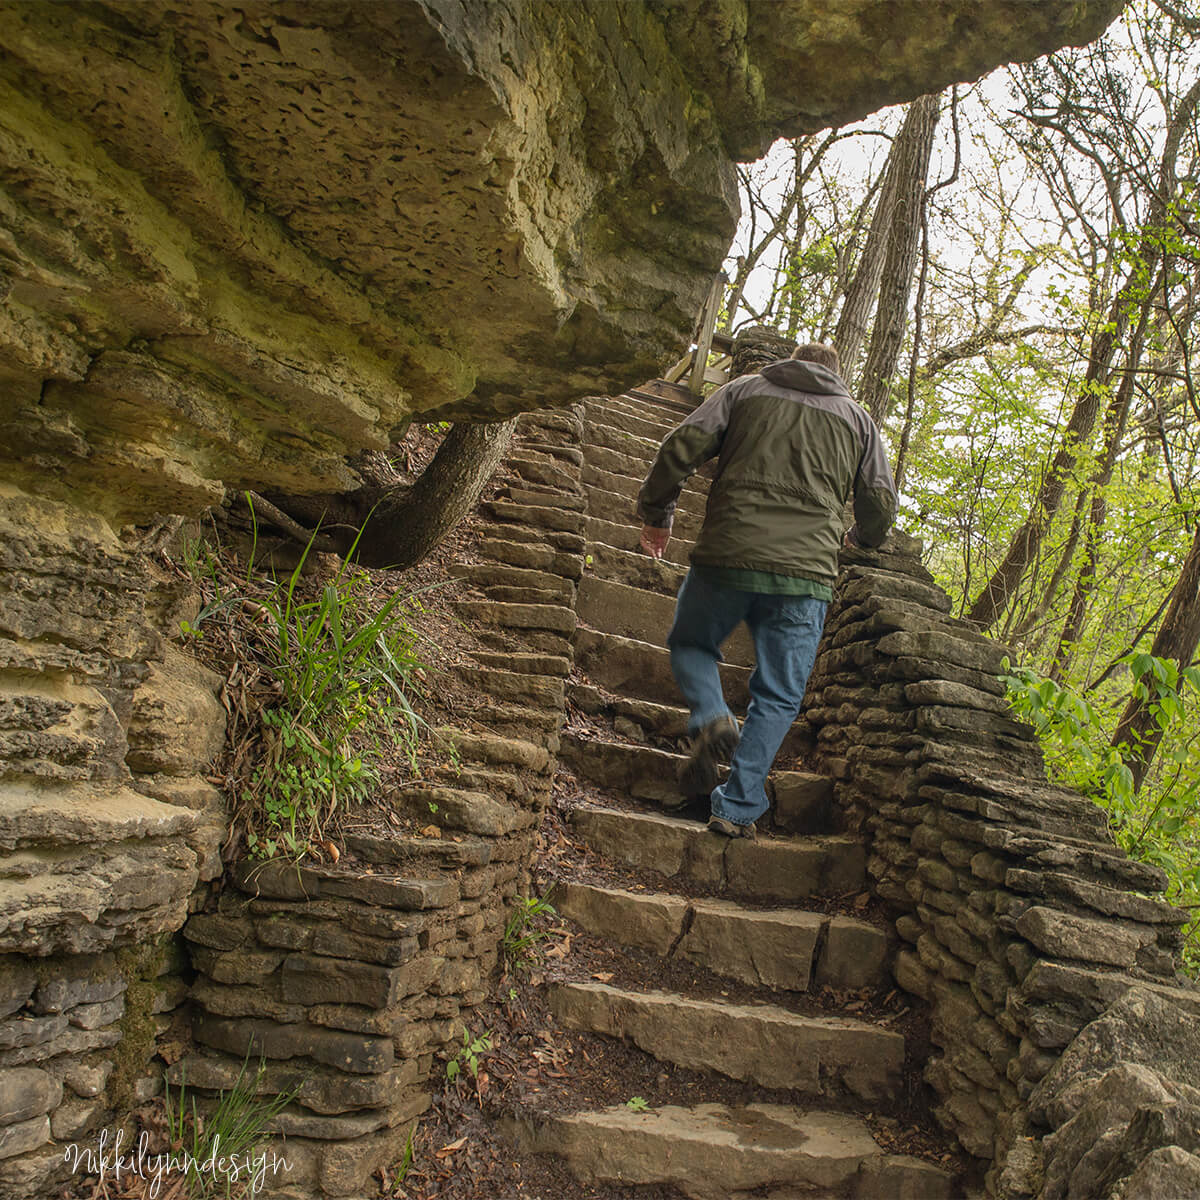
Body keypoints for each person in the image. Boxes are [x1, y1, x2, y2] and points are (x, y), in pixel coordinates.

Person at [636, 343, 897, 838]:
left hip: (726, 555)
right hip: (805, 577)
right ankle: (735, 808)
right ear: (836, 374)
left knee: (692, 643)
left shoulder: (744, 390)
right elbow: (881, 504)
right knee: (779, 694)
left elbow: (680, 445)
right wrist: (860, 538)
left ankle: (713, 716)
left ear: (791, 363)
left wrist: (658, 516)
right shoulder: (859, 421)